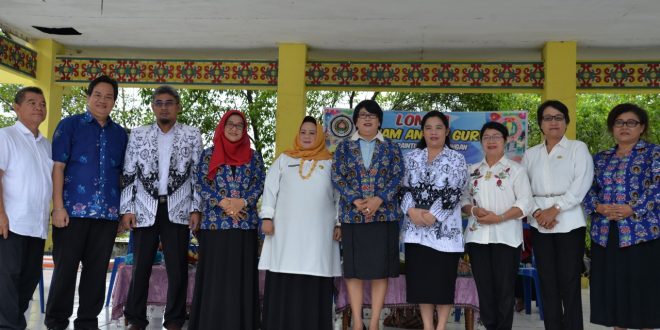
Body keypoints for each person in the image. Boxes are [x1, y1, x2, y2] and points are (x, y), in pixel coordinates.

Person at [46, 75, 129, 330]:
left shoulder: (120, 135)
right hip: (71, 214)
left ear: (114, 101)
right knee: (65, 272)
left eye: (108, 97)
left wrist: (122, 214)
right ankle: (56, 323)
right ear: (88, 96)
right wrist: (58, 207)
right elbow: (57, 167)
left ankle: (87, 323)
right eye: (98, 95)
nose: (102, 100)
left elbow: (124, 176)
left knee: (96, 274)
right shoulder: (69, 126)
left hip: (106, 216)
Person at [119, 86, 202, 330]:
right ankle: (136, 318)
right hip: (144, 209)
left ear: (178, 106)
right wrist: (127, 209)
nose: (164, 106)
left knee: (177, 269)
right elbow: (128, 173)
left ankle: (175, 319)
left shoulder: (192, 134)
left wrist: (196, 208)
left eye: (169, 102)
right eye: (159, 102)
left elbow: (197, 174)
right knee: (141, 266)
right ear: (153, 106)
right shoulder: (138, 134)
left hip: (178, 209)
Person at [259, 116, 342, 330]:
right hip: (285, 234)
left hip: (319, 235)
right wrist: (267, 217)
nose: (307, 136)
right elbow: (270, 190)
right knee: (283, 276)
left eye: (312, 132)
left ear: (319, 136)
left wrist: (339, 223)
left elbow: (339, 197)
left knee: (315, 276)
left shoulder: (330, 162)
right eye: (303, 132)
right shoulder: (284, 159)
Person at [583, 103, 659, 330]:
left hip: (643, 233)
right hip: (606, 235)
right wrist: (598, 207)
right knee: (615, 291)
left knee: (643, 291)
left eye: (631, 122)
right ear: (612, 127)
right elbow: (586, 189)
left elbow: (658, 186)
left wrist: (632, 207)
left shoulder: (654, 153)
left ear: (642, 127)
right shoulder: (601, 158)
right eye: (619, 122)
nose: (624, 127)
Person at [189, 110, 265, 330]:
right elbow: (201, 183)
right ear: (222, 126)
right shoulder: (208, 154)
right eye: (229, 124)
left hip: (244, 226)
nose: (234, 128)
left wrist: (243, 202)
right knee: (215, 278)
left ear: (245, 130)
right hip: (215, 225)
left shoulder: (254, 156)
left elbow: (260, 183)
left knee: (240, 278)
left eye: (239, 125)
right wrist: (222, 202)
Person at [332, 100, 403, 330]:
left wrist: (379, 199)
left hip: (384, 217)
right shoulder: (343, 147)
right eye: (362, 115)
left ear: (379, 120)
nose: (367, 118)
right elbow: (337, 176)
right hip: (353, 217)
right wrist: (355, 199)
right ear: (355, 121)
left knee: (379, 270)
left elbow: (398, 176)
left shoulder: (391, 147)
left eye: (372, 115)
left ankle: (374, 323)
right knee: (354, 272)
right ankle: (357, 322)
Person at [522, 100, 594, 330]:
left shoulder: (577, 148)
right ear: (540, 124)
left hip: (570, 223)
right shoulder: (530, 154)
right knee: (547, 283)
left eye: (558, 117)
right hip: (539, 223)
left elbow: (582, 182)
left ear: (566, 122)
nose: (553, 122)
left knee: (569, 283)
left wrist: (556, 209)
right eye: (547, 118)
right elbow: (523, 189)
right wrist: (537, 212)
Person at [460, 121, 533, 330]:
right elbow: (463, 199)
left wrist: (499, 218)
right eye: (486, 137)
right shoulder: (472, 170)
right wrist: (473, 211)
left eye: (496, 137)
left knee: (504, 291)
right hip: (477, 238)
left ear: (506, 141)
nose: (491, 141)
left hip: (507, 237)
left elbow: (525, 203)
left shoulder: (516, 170)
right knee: (484, 290)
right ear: (481, 142)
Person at [401, 111, 468, 330]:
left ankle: (440, 327)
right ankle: (428, 327)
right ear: (422, 131)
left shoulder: (456, 159)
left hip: (445, 234)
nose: (433, 132)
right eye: (428, 127)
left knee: (442, 284)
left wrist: (433, 215)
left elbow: (455, 191)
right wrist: (411, 211)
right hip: (415, 232)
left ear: (447, 131)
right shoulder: (412, 158)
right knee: (422, 285)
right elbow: (402, 188)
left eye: (439, 127)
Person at [0, 87, 53, 330]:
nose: (39, 107)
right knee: (6, 280)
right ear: (16, 107)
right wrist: (0, 214)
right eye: (32, 102)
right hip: (11, 223)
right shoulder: (5, 136)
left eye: (42, 103)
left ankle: (13, 323)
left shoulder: (46, 145)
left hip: (37, 226)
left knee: (28, 280)